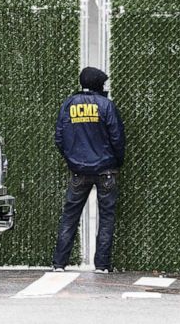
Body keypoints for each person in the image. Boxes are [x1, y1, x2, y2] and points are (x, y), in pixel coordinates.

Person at [51, 66, 125, 273]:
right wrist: (117, 161)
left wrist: (72, 159)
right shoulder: (106, 106)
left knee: (70, 217)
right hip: (105, 170)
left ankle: (59, 263)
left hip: (78, 171)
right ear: (97, 84)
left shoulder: (69, 105)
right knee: (107, 217)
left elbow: (59, 137)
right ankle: (101, 265)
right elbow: (117, 138)